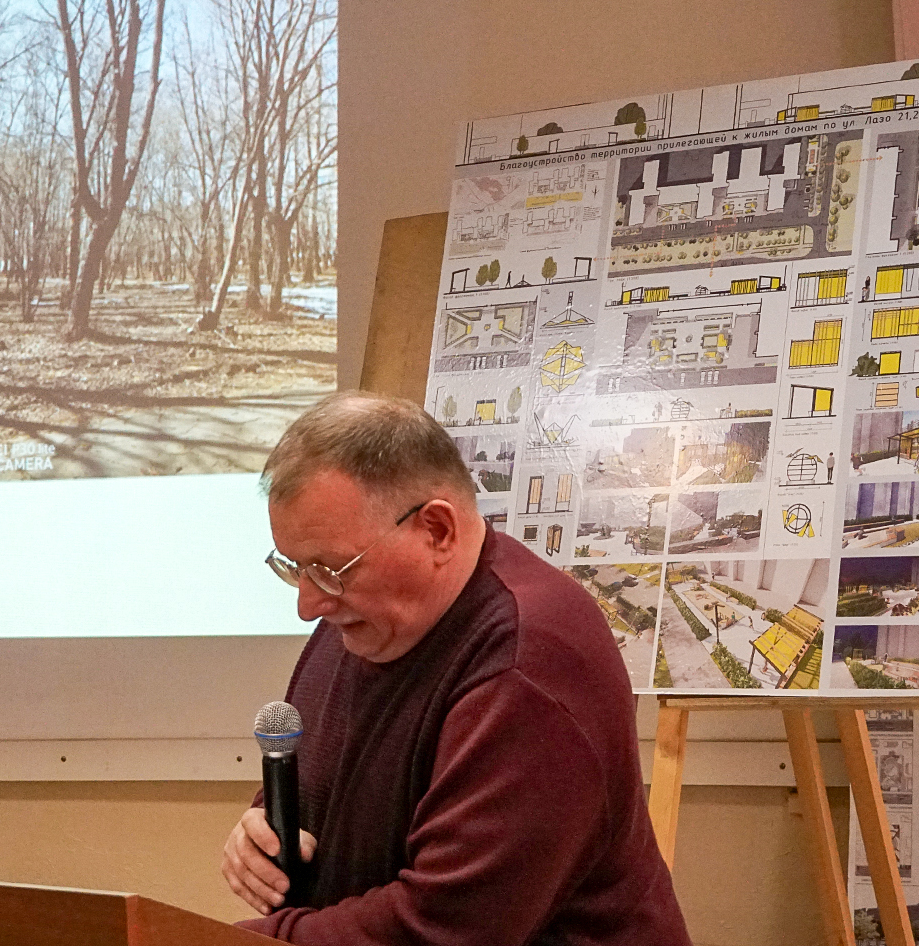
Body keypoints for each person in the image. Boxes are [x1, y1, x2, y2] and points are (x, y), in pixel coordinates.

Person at [222, 390, 690, 945]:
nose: (307, 604)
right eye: (295, 567)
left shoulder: (528, 663)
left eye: (329, 569)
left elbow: (445, 927)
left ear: (437, 530)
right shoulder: (369, 618)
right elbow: (337, 784)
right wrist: (265, 829)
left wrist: (243, 940)